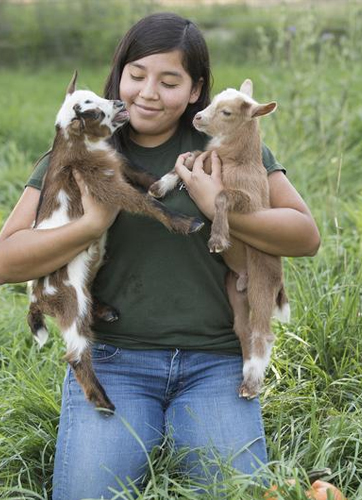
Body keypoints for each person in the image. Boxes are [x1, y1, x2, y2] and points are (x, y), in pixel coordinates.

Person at [0, 12, 320, 500]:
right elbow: (6, 260)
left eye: (170, 81)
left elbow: (305, 235)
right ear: (119, 74)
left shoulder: (225, 146)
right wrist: (90, 224)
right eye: (137, 74)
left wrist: (220, 206)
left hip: (215, 364)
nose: (149, 92)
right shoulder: (81, 148)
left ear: (196, 92)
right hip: (114, 362)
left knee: (235, 492)